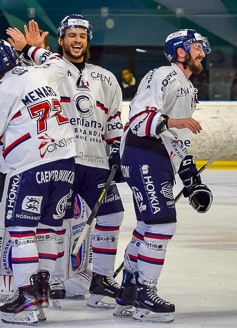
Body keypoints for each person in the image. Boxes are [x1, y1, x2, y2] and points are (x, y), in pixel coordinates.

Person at [0, 38, 77, 325]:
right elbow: (61, 63)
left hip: (31, 166)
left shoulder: (0, 89)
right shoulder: (40, 71)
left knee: (22, 231)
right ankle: (40, 293)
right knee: (48, 231)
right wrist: (33, 49)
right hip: (65, 163)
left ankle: (26, 297)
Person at [20, 17, 126, 309]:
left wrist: (117, 149)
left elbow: (114, 119)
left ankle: (101, 279)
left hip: (96, 163)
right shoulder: (52, 70)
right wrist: (32, 50)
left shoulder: (105, 78)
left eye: (82, 35)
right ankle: (52, 278)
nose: (77, 40)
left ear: (88, 41)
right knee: (54, 222)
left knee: (112, 216)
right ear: (61, 40)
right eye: (71, 35)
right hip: (61, 158)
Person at [115, 29, 212, 324]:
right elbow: (138, 118)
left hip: (157, 158)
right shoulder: (162, 75)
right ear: (180, 52)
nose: (202, 53)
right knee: (162, 222)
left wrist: (192, 180)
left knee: (148, 225)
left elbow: (178, 142)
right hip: (143, 152)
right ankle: (146, 293)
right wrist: (172, 120)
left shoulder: (189, 89)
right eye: (196, 47)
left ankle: (128, 292)